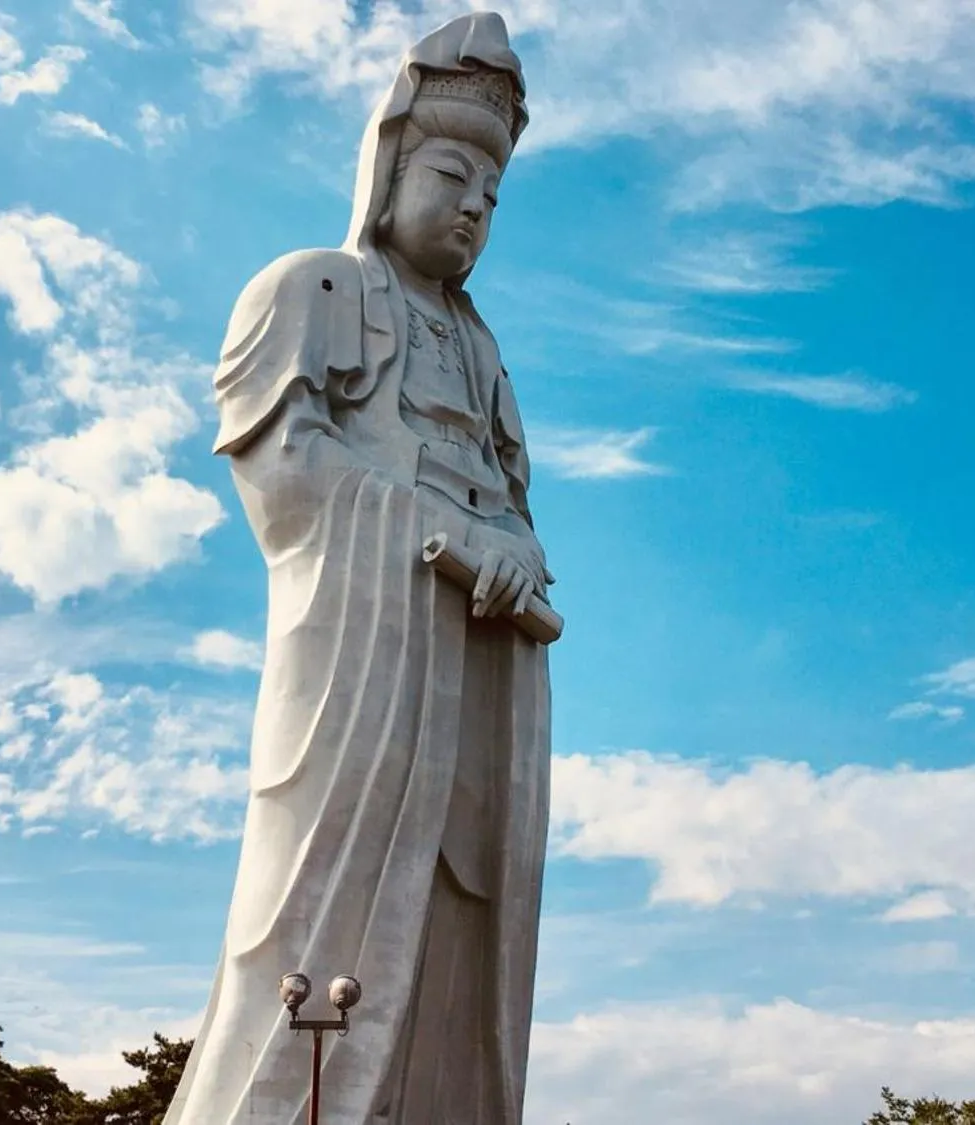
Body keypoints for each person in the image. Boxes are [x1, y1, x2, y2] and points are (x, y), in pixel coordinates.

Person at [163, 12, 553, 1125]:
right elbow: (285, 481)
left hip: (481, 654)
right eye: (451, 173)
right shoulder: (313, 289)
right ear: (387, 166)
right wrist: (438, 531)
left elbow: (518, 508)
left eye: (494, 190)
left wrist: (512, 551)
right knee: (320, 906)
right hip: (365, 655)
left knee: (466, 918)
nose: (476, 205)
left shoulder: (483, 355)